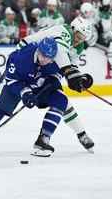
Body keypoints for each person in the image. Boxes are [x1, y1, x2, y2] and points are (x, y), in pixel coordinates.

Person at [15, 16, 95, 154]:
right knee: (5, 100)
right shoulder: (63, 31)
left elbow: (71, 64)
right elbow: (61, 54)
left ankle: (77, 134)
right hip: (26, 59)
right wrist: (69, 74)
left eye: (83, 38)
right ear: (73, 29)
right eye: (79, 36)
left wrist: (79, 78)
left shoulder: (78, 46)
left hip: (44, 65)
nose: (79, 40)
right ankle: (80, 134)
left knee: (62, 102)